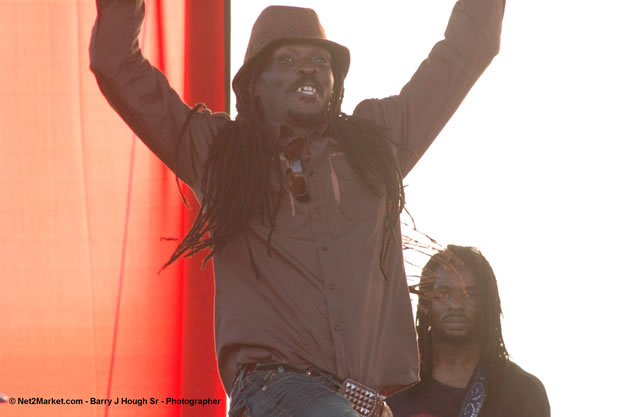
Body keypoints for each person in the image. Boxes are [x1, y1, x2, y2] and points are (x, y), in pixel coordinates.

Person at [89, 1, 505, 416]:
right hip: (273, 391)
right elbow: (116, 66)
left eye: (320, 61)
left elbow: (469, 47)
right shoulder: (218, 155)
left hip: (359, 401)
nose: (308, 69)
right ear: (254, 83)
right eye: (288, 59)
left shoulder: (378, 145)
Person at [387, 245, 550, 417]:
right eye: (443, 294)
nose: (456, 305)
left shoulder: (524, 393)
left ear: (486, 304)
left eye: (470, 295)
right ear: (426, 303)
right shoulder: (394, 387)